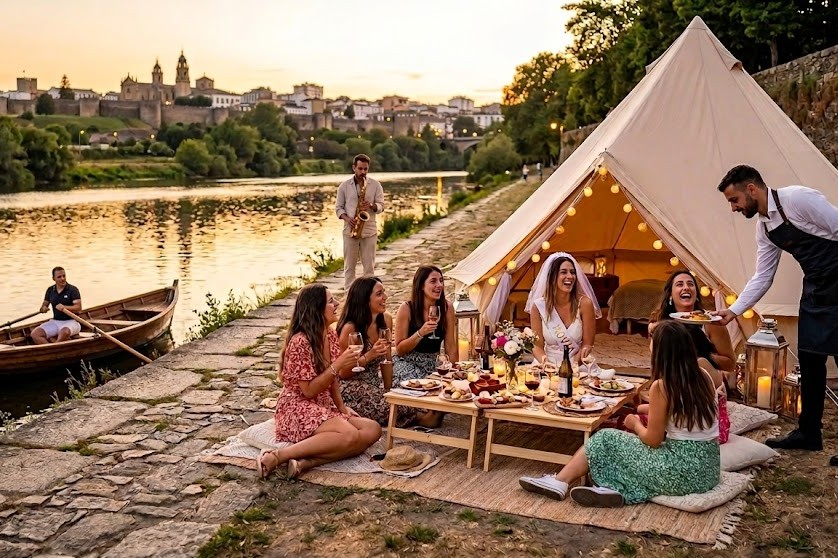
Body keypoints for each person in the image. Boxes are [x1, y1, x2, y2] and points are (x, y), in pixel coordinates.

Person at [519, 321, 720, 506]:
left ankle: (560, 481)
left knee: (606, 438)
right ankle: (611, 489)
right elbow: (683, 410)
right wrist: (646, 409)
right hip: (707, 472)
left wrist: (635, 424)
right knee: (624, 446)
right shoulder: (703, 375)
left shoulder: (662, 386)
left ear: (661, 352)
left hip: (679, 473)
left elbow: (653, 440)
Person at [714, 165, 838, 464]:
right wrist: (733, 311)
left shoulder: (798, 199)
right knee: (809, 359)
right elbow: (763, 277)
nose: (733, 208)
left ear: (752, 189)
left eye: (734, 200)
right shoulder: (765, 228)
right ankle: (809, 433)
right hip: (816, 289)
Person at [257, 283, 382, 479]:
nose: (337, 303)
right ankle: (277, 455)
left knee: (372, 429)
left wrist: (341, 408)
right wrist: (340, 363)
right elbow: (308, 391)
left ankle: (306, 463)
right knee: (349, 435)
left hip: (323, 405)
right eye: (331, 301)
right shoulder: (300, 341)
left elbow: (333, 382)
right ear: (317, 309)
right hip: (297, 406)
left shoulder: (330, 334)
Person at [337, 277, 414, 426]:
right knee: (395, 406)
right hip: (352, 386)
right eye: (379, 294)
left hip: (374, 383)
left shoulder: (385, 319)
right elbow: (343, 373)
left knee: (407, 399)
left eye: (384, 292)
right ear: (365, 299)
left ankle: (415, 417)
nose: (385, 297)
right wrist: (370, 354)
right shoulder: (350, 329)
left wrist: (390, 386)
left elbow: (388, 360)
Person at [393, 265, 458, 428]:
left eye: (441, 281)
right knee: (424, 388)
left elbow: (451, 345)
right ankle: (422, 415)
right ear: (421, 285)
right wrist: (420, 333)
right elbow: (400, 349)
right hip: (407, 362)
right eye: (433, 281)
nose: (439, 285)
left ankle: (430, 413)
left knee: (451, 389)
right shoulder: (406, 309)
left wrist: (455, 372)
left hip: (433, 363)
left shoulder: (447, 307)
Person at [649, 270, 736, 389]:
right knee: (639, 407)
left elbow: (730, 364)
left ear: (696, 294)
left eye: (690, 284)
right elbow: (658, 362)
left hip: (706, 386)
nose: (686, 287)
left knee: (700, 363)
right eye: (680, 284)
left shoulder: (710, 322)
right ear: (670, 295)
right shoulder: (661, 323)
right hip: (671, 384)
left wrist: (704, 355)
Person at [525, 253, 600, 365]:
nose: (570, 276)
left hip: (577, 364)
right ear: (552, 277)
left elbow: (587, 344)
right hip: (548, 366)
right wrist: (545, 363)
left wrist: (573, 366)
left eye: (572, 272)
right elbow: (537, 346)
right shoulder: (538, 306)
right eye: (563, 272)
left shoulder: (585, 304)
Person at [336, 154, 385, 290]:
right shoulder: (344, 186)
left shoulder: (375, 185)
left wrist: (371, 205)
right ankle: (349, 299)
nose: (363, 172)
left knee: (369, 269)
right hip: (350, 231)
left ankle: (368, 300)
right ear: (354, 168)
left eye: (365, 169)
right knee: (349, 268)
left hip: (369, 231)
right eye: (360, 169)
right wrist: (348, 219)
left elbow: (381, 206)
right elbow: (338, 208)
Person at [31, 266, 82, 345]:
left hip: (72, 322)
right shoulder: (50, 290)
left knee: (64, 332)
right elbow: (44, 305)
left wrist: (65, 307)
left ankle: (55, 347)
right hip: (55, 321)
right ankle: (50, 350)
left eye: (64, 276)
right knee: (35, 334)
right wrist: (43, 308)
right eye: (59, 277)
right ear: (53, 278)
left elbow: (78, 308)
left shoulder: (73, 290)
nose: (62, 278)